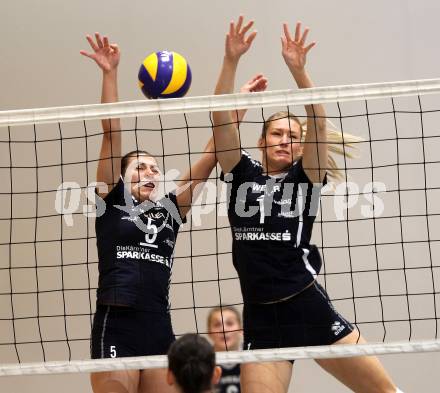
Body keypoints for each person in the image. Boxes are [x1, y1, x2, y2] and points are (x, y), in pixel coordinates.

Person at [212, 16, 403, 393]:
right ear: (262, 141)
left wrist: (299, 72)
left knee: (384, 392)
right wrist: (230, 60)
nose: (285, 140)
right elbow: (219, 120)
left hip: (305, 303)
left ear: (301, 146)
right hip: (262, 317)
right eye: (277, 134)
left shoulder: (307, 177)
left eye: (292, 136)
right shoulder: (241, 172)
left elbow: (318, 120)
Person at [80, 33, 217, 393]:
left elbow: (214, 152)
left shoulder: (172, 211)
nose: (150, 172)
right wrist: (110, 73)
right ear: (122, 178)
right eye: (139, 167)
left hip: (158, 326)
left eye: (155, 168)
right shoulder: (109, 201)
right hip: (116, 323)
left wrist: (236, 105)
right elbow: (111, 132)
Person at [207, 306, 242, 393]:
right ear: (209, 332)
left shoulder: (252, 357)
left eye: (229, 323)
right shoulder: (203, 361)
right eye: (217, 325)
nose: (223, 329)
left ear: (241, 329)